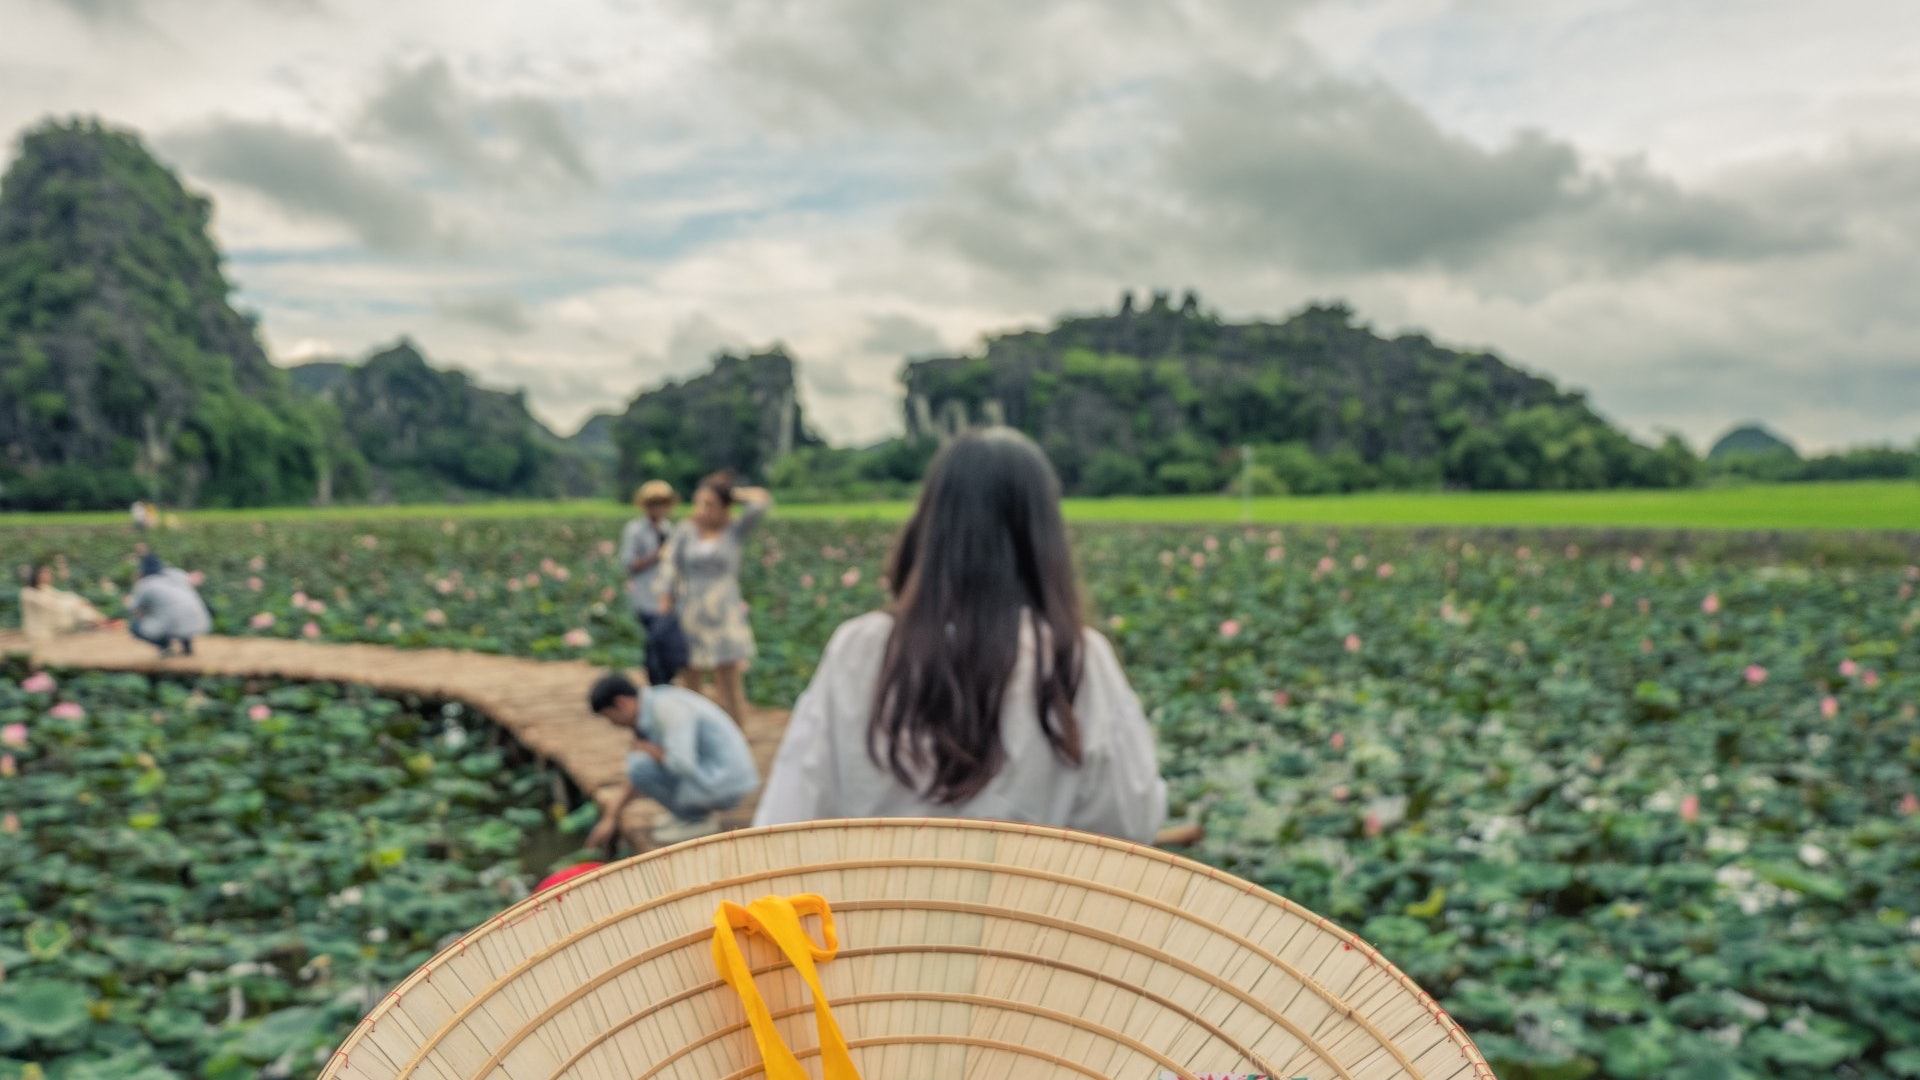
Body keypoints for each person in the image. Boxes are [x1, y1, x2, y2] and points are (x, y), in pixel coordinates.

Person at [753, 427, 1167, 843]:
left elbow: (792, 813)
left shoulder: (860, 648)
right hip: (1032, 906)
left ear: (930, 523)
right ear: (1043, 537)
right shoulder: (1075, 658)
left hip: (875, 905)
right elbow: (1130, 822)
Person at [584, 672, 760, 846]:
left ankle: (696, 818)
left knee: (639, 764)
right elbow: (635, 781)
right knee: (640, 762)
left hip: (724, 783)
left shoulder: (667, 709)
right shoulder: (654, 703)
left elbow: (681, 764)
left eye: (610, 717)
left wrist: (651, 751)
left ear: (621, 703)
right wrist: (611, 816)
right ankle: (690, 813)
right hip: (716, 776)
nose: (614, 724)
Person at [658, 471, 772, 725]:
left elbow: (761, 503)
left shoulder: (734, 530)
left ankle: (737, 731)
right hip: (691, 607)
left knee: (728, 677)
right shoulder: (687, 530)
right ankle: (694, 732)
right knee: (691, 674)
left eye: (710, 504)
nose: (703, 510)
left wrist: (733, 494)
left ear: (724, 507)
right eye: (699, 503)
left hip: (724, 610)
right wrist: (666, 597)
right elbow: (671, 564)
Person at [619, 480, 688, 688]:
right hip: (646, 596)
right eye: (654, 503)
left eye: (663, 503)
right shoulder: (635, 530)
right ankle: (657, 684)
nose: (659, 508)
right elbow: (628, 564)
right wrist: (657, 556)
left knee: (666, 642)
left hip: (668, 595)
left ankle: (666, 682)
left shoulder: (669, 528)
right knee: (655, 642)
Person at [126, 553, 212, 658]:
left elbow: (134, 608)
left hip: (172, 624)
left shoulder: (145, 584)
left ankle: (165, 648)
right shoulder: (176, 573)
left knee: (135, 627)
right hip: (198, 621)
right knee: (179, 612)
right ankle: (187, 647)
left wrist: (132, 593)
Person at [20, 562, 112, 644]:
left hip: (53, 625)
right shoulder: (28, 593)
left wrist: (80, 601)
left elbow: (64, 596)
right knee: (76, 608)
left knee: (77, 603)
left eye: (49, 573)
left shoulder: (46, 589)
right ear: (36, 575)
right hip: (41, 631)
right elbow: (51, 605)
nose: (49, 575)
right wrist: (75, 604)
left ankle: (99, 622)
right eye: (45, 573)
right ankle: (100, 622)